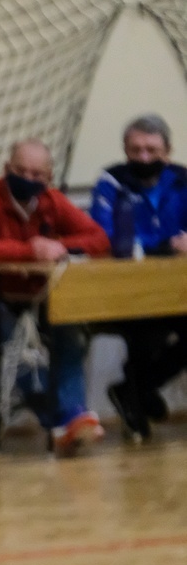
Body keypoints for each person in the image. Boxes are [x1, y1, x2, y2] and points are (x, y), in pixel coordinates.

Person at [0, 139, 111, 455]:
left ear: (48, 177)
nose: (28, 179)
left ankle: (71, 416)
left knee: (69, 329)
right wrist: (31, 250)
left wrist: (60, 246)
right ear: (7, 169)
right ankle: (62, 419)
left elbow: (99, 238)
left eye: (36, 174)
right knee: (16, 333)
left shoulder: (52, 201)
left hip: (26, 303)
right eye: (20, 171)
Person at [90, 114, 187, 441]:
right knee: (147, 328)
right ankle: (138, 393)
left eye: (152, 150)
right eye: (136, 150)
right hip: (123, 290)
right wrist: (163, 247)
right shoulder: (111, 181)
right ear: (125, 151)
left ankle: (137, 389)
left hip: (176, 289)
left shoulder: (182, 179)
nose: (144, 157)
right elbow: (103, 236)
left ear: (167, 152)